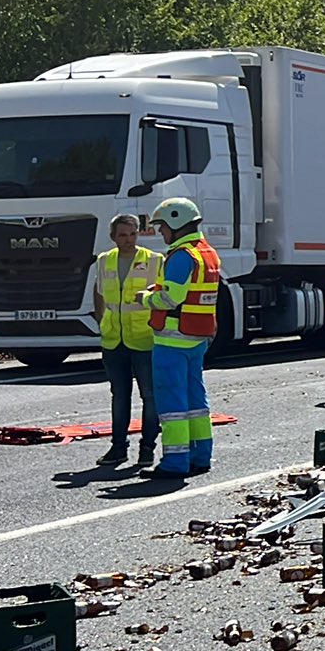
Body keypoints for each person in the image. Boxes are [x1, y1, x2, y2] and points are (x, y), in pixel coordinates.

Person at [142, 198, 223, 477]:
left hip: (172, 340)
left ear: (176, 223)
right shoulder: (207, 253)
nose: (160, 233)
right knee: (196, 401)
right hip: (196, 337)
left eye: (162, 227)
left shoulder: (180, 255)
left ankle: (174, 462)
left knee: (172, 404)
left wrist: (147, 298)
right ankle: (201, 456)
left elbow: (170, 298)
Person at [91, 213, 161, 467]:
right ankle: (118, 448)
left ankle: (147, 448)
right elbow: (98, 293)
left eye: (133, 234)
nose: (129, 240)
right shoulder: (104, 260)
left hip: (144, 338)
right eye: (123, 235)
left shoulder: (154, 260)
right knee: (119, 395)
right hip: (113, 340)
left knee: (150, 396)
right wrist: (101, 321)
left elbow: (163, 296)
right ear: (113, 237)